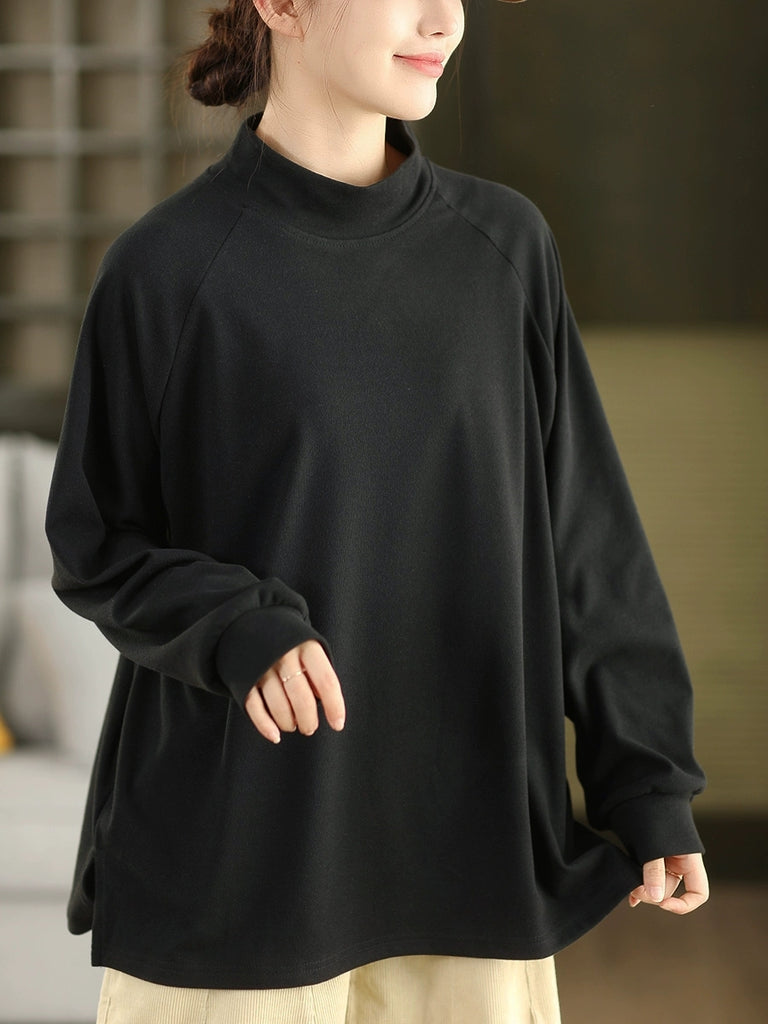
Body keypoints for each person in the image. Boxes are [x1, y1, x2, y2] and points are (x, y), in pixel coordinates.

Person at [45, 0, 709, 1021]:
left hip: (474, 865)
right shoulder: (166, 269)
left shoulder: (503, 250)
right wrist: (237, 625)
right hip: (238, 879)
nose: (444, 19)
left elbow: (586, 539)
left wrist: (647, 777)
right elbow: (95, 541)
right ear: (282, 5)